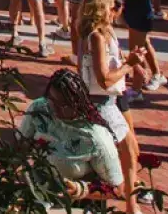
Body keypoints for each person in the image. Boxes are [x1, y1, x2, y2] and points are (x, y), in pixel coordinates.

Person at [77, 0, 144, 214]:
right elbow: (104, 79)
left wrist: (130, 63)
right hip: (101, 103)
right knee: (125, 153)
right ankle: (129, 205)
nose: (114, 9)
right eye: (110, 6)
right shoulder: (95, 36)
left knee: (128, 151)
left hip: (107, 102)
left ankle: (127, 202)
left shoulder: (102, 33)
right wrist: (128, 65)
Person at [17, 70, 123, 198]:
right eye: (51, 101)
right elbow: (20, 145)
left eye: (63, 105)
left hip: (71, 202)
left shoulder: (96, 137)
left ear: (77, 103)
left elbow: (116, 188)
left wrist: (81, 190)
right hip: (35, 192)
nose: (54, 109)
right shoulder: (39, 109)